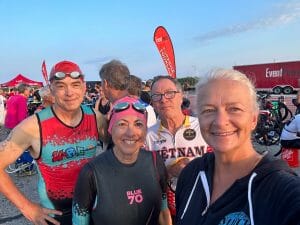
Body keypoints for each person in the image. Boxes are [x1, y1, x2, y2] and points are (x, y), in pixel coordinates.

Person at [175, 68, 300, 225]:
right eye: (208, 110)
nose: (220, 122)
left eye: (234, 109)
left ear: (253, 119)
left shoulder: (282, 191)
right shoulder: (191, 174)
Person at [0, 60, 101, 225]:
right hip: (56, 216)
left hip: (94, 210)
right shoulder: (33, 127)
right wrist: (27, 207)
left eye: (75, 85)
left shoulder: (96, 118)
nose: (69, 92)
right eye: (61, 86)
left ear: (83, 88)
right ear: (51, 90)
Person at [72, 96, 172, 225]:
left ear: (145, 130)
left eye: (138, 124)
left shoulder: (154, 161)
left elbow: (164, 213)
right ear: (111, 129)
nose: (131, 133)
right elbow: (79, 221)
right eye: (122, 124)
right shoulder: (92, 172)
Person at [145, 75, 209, 220]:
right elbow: (145, 180)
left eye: (169, 93)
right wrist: (169, 171)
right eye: (157, 96)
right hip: (167, 213)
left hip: (202, 207)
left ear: (181, 96)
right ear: (153, 103)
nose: (163, 99)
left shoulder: (203, 127)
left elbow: (221, 168)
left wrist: (193, 170)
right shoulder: (148, 136)